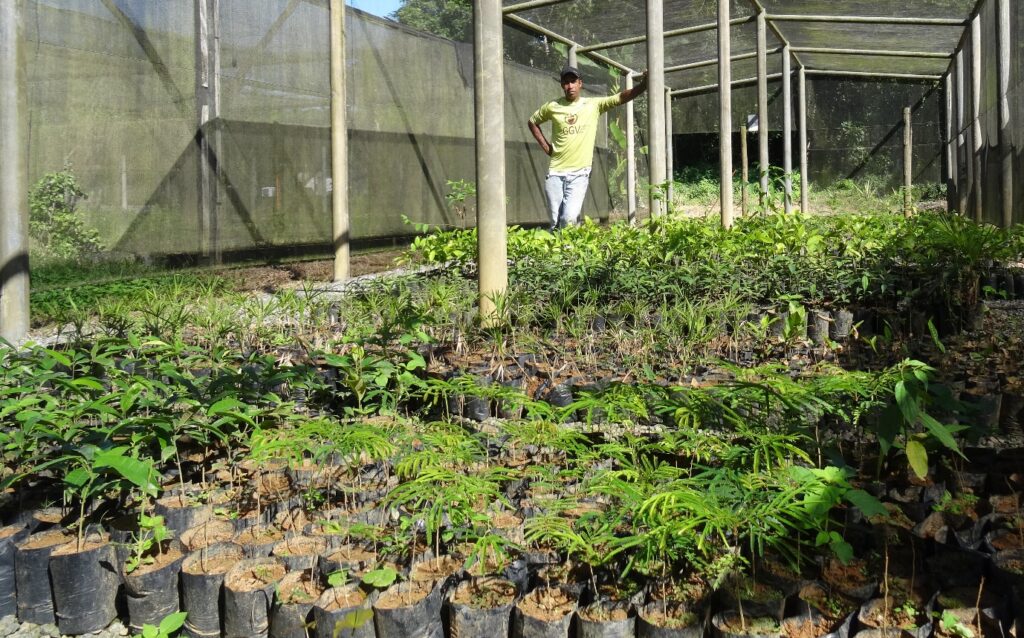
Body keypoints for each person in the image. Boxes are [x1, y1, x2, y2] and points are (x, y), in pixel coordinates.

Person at [528, 65, 648, 230]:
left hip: (579, 173)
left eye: (573, 81)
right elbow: (532, 122)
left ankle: (569, 252)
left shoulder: (593, 105)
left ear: (580, 84)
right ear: (562, 85)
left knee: (568, 219)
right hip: (555, 172)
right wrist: (547, 147)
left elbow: (620, 97)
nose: (570, 86)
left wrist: (643, 85)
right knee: (556, 222)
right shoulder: (552, 106)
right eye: (566, 82)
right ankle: (558, 253)